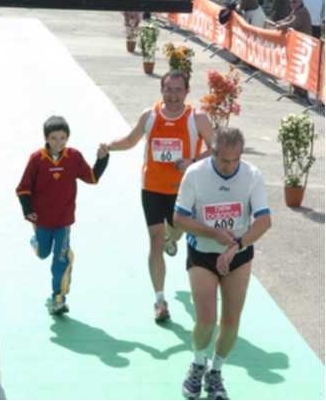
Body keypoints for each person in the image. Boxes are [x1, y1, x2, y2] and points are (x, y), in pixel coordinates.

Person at [104, 70, 214, 323]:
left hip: (184, 190)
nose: (173, 95)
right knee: (154, 241)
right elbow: (131, 140)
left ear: (187, 92)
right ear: (161, 90)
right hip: (152, 188)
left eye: (178, 90)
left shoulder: (196, 118)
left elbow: (216, 147)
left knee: (177, 232)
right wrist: (109, 145)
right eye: (168, 89)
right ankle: (160, 300)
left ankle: (171, 237)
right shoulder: (150, 115)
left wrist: (193, 161)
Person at [173, 127, 271, 400]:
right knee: (206, 319)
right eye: (223, 160)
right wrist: (214, 233)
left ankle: (215, 372)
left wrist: (236, 245)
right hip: (202, 254)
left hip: (237, 256)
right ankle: (197, 364)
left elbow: (264, 221)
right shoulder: (195, 174)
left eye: (234, 160)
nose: (229, 167)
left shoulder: (252, 175)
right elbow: (180, 218)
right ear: (213, 152)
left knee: (230, 322)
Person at [16, 116, 109, 315]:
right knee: (43, 254)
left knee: (60, 260)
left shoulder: (74, 157)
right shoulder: (37, 159)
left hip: (64, 221)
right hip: (42, 220)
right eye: (54, 138)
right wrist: (29, 211)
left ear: (68, 137)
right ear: (46, 138)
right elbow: (23, 189)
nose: (58, 142)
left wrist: (102, 159)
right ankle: (36, 242)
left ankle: (59, 296)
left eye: (63, 138)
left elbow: (92, 178)